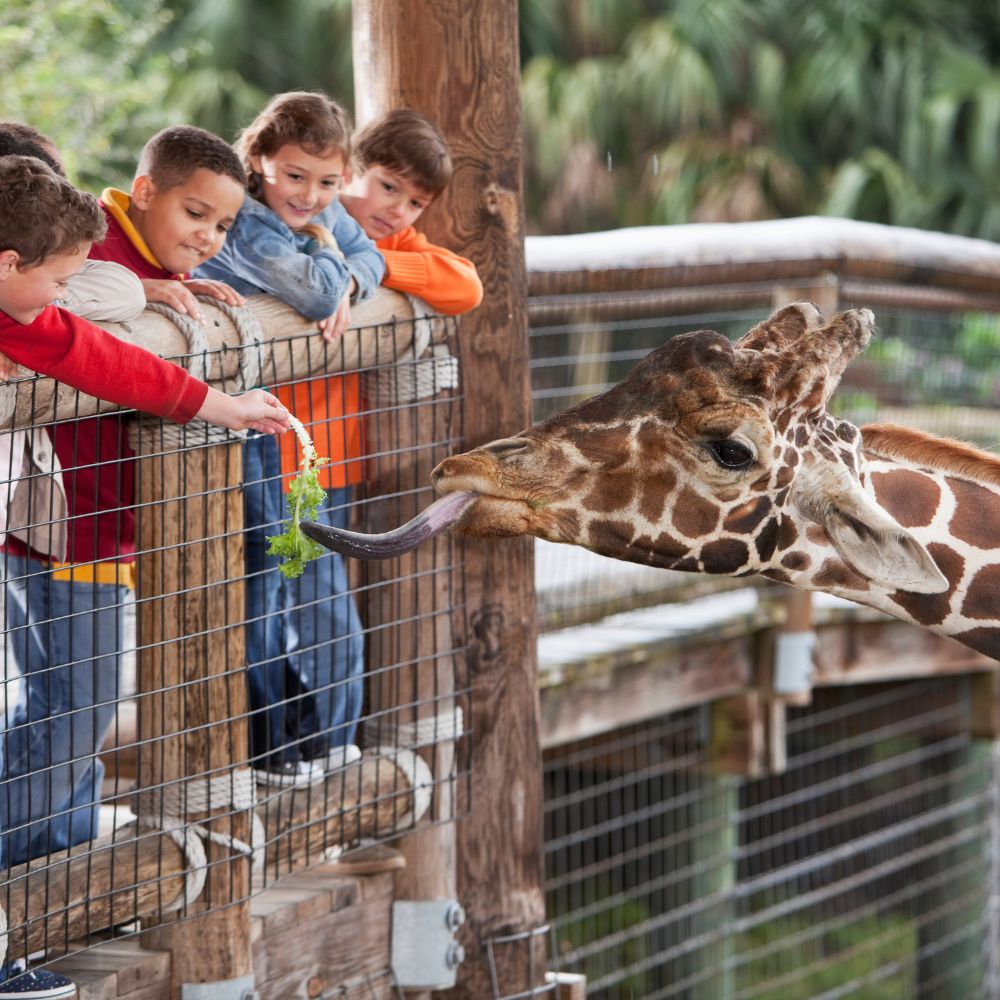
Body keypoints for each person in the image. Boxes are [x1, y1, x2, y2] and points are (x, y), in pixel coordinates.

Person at [0, 154, 288, 1000]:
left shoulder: (25, 317)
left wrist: (225, 407)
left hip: (73, 539)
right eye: (58, 279)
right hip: (59, 537)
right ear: (10, 265)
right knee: (70, 720)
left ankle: (35, 915)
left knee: (66, 722)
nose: (67, 292)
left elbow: (109, 360)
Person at [195, 91, 385, 787]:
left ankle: (302, 738)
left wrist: (347, 273)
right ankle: (270, 743)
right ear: (260, 162)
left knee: (286, 580)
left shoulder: (315, 212)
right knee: (262, 584)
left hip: (277, 429)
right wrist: (336, 265)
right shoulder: (248, 222)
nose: (312, 196)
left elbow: (374, 261)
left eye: (330, 182)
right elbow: (312, 293)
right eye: (295, 176)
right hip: (227, 426)